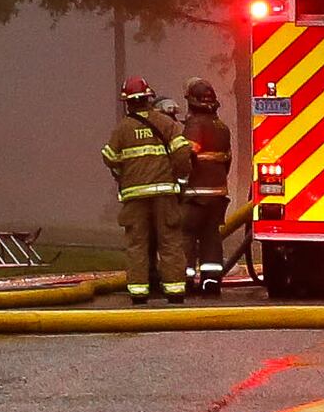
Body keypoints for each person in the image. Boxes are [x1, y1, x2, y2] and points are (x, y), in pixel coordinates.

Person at [100, 77, 188, 302]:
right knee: (169, 242)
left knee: (137, 244)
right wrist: (177, 177)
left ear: (127, 103)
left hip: (135, 197)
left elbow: (109, 157)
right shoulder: (166, 123)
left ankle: (139, 293)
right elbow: (182, 153)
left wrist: (123, 176)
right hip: (165, 196)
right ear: (149, 97)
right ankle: (175, 291)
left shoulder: (123, 129)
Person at [178, 77, 235, 296]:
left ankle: (185, 280)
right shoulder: (222, 127)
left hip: (195, 194)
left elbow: (187, 155)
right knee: (211, 236)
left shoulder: (195, 125)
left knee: (187, 235)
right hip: (218, 194)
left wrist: (181, 183)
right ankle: (211, 281)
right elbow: (226, 160)